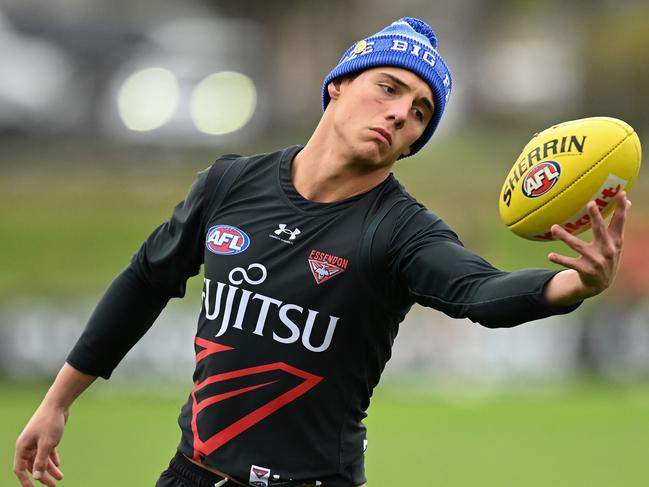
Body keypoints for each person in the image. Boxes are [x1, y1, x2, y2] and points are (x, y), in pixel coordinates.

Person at [14, 17, 630, 487]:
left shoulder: (399, 229)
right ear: (337, 85)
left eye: (420, 113)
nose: (399, 114)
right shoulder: (231, 184)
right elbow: (145, 280)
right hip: (191, 473)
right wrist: (58, 401)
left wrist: (570, 286)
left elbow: (479, 292)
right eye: (387, 87)